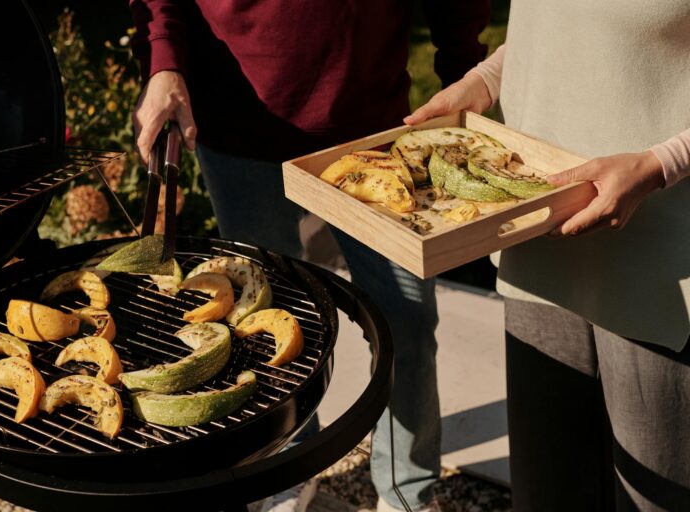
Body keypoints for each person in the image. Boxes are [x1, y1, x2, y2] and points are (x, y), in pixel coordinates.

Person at [129, 1, 490, 510]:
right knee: (264, 324)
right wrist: (164, 59)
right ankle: (288, 472)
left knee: (406, 318)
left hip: (371, 128)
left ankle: (408, 490)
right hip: (239, 125)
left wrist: (463, 70)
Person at [407, 2, 690, 510]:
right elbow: (557, 28)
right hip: (539, 240)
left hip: (658, 267)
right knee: (547, 489)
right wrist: (485, 81)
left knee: (656, 498)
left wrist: (659, 163)